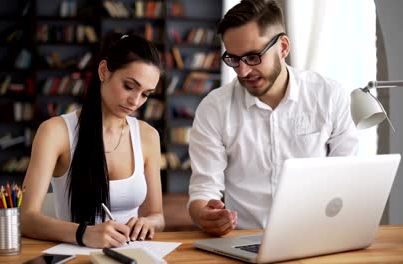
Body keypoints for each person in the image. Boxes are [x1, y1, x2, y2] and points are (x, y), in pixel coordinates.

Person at [188, 0, 359, 236]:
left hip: (317, 236)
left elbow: (348, 177)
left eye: (253, 57)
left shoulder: (329, 96)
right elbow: (203, 190)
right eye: (234, 59)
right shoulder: (214, 108)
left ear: (284, 47)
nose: (243, 71)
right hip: (244, 239)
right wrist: (205, 215)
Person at [21, 33, 165, 248]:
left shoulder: (148, 136)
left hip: (133, 255)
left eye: (146, 94)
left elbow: (157, 216)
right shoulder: (55, 132)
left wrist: (148, 223)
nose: (135, 102)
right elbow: (26, 219)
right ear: (103, 71)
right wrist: (83, 234)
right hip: (76, 254)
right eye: (129, 86)